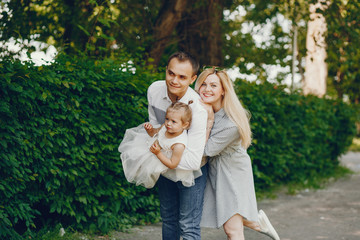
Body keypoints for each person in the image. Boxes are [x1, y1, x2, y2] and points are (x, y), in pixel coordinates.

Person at [195, 67, 280, 240]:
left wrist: (209, 119)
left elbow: (204, 151)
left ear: (223, 90)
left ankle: (257, 222)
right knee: (227, 216)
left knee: (232, 229)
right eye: (203, 84)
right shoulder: (201, 109)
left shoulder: (231, 123)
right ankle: (258, 223)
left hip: (232, 173)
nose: (207, 89)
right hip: (216, 170)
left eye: (213, 85)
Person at [147, 51, 209, 240]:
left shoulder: (197, 109)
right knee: (168, 219)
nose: (175, 80)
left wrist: (162, 157)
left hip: (192, 173)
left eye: (182, 77)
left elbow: (192, 161)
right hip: (165, 166)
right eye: (171, 73)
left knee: (188, 225)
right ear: (166, 71)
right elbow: (157, 133)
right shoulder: (154, 90)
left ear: (192, 79)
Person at [118, 102, 195, 188]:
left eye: (173, 121)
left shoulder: (178, 144)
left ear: (185, 125)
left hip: (163, 160)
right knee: (133, 154)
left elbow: (173, 164)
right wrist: (150, 130)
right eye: (167, 119)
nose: (168, 123)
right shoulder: (165, 127)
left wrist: (158, 153)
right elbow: (154, 134)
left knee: (149, 172)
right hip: (153, 150)